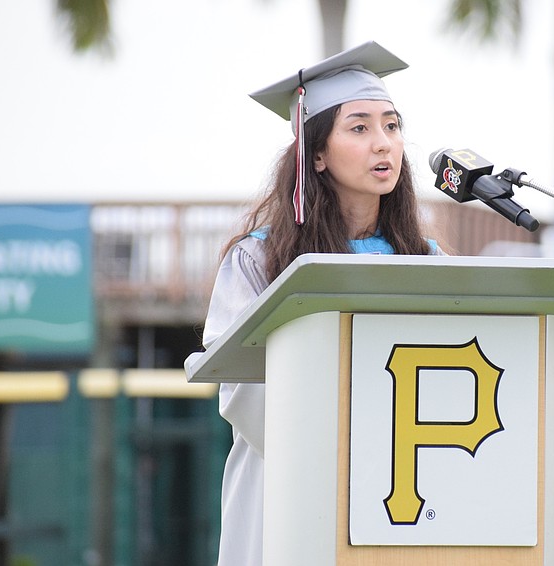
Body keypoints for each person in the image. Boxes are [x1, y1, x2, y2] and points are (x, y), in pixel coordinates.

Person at [199, 41, 445, 565]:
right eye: (359, 128)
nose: (384, 144)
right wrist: (347, 440)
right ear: (317, 153)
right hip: (290, 483)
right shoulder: (259, 261)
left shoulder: (427, 261)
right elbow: (242, 387)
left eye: (392, 126)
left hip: (406, 487)